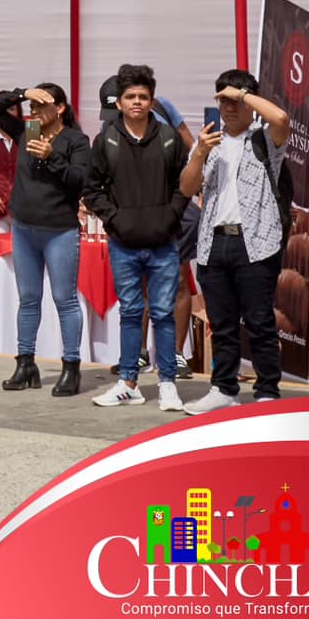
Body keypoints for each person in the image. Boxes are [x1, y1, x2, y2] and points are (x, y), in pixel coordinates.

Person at [181, 68, 292, 415]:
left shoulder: (263, 138)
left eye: (235, 101)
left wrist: (242, 93)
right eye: (223, 100)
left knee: (259, 320)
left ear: (248, 101)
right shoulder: (209, 142)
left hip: (256, 241)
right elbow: (186, 189)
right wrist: (199, 151)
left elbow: (282, 117)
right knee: (222, 322)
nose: (229, 108)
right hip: (214, 242)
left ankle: (267, 392)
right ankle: (223, 388)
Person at [83, 64, 188, 412]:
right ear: (120, 103)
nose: (138, 102)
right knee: (130, 313)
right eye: (131, 97)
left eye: (143, 96)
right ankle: (128, 382)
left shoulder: (170, 138)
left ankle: (168, 383)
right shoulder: (106, 140)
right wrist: (115, 220)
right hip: (123, 244)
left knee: (163, 314)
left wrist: (170, 216)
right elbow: (91, 189)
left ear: (152, 100)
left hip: (163, 244)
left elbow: (184, 186)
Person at [0, 83, 93, 397]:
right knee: (29, 298)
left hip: (59, 229)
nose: (33, 113)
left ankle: (71, 366)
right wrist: (22, 94)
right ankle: (25, 363)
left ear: (59, 108)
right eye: (31, 107)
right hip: (24, 228)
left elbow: (80, 180)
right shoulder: (25, 130)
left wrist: (51, 157)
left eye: (40, 106)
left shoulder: (76, 139)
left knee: (65, 299)